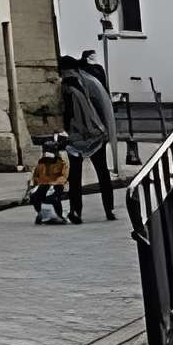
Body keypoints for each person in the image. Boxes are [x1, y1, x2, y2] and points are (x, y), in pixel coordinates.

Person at [56, 52, 118, 224]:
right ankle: (106, 209)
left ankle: (78, 211)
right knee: (98, 173)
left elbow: (65, 112)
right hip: (89, 135)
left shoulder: (71, 86)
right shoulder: (88, 83)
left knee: (80, 175)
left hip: (84, 135)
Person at [27, 133, 73, 226]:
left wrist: (51, 184)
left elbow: (63, 178)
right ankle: (41, 213)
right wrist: (32, 187)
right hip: (44, 184)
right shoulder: (41, 163)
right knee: (35, 196)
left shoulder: (61, 163)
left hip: (56, 185)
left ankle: (59, 215)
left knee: (53, 197)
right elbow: (35, 178)